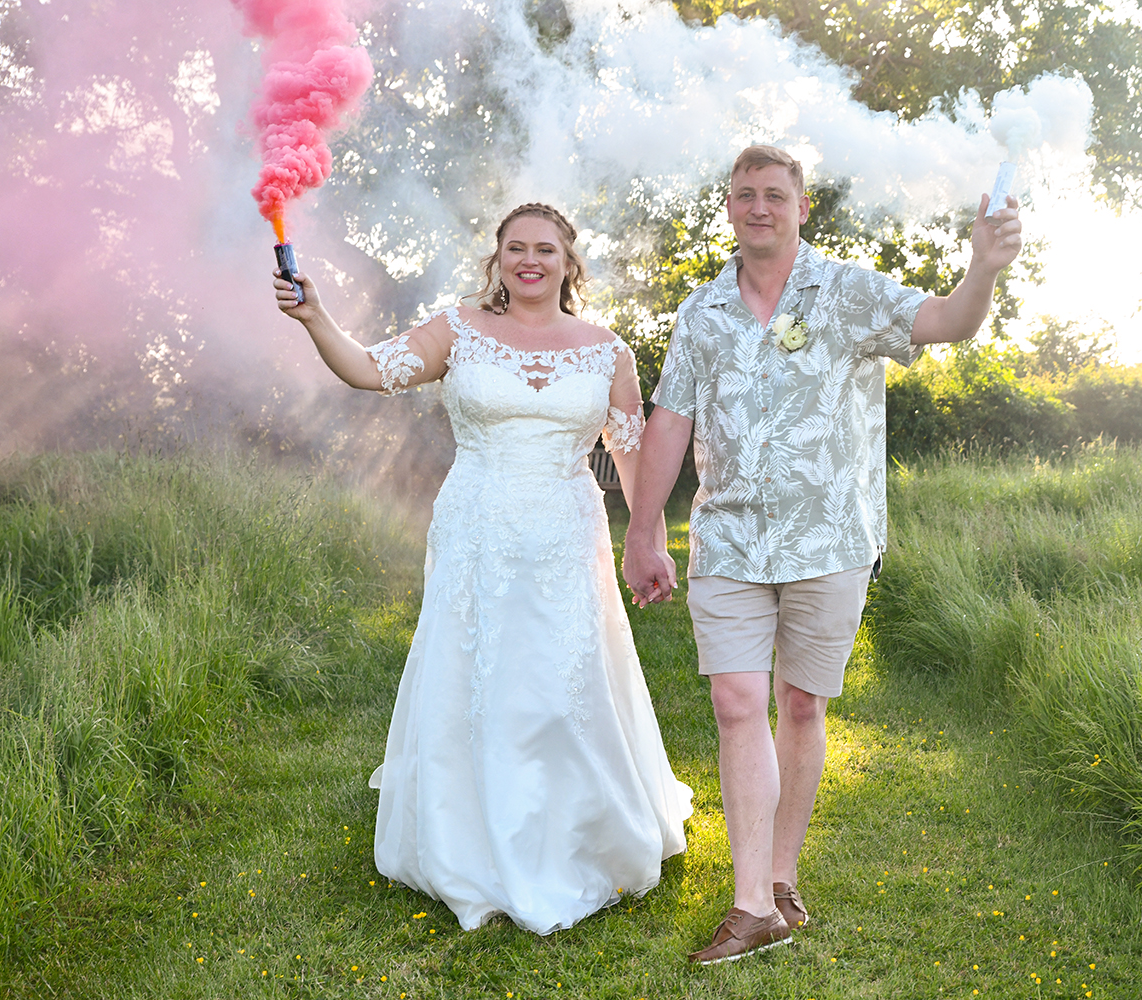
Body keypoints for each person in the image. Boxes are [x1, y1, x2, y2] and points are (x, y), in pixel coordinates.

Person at [621, 145, 1022, 964]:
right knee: (738, 704)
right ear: (728, 208)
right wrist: (644, 528)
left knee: (800, 705)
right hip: (729, 537)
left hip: (831, 539)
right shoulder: (700, 313)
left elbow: (949, 322)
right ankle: (749, 904)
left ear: (803, 206)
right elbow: (670, 422)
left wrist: (982, 269)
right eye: (744, 195)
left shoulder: (848, 290)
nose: (758, 207)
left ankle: (780, 875)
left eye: (775, 194)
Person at [273, 202, 693, 934]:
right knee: (479, 675)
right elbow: (370, 370)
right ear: (497, 259)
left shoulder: (608, 352)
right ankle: (466, 838)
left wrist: (648, 538)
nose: (530, 260)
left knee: (563, 684)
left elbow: (631, 460)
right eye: (515, 248)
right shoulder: (458, 329)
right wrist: (317, 318)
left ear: (569, 262)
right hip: (477, 530)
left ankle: (575, 836)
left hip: (567, 534)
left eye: (546, 249)